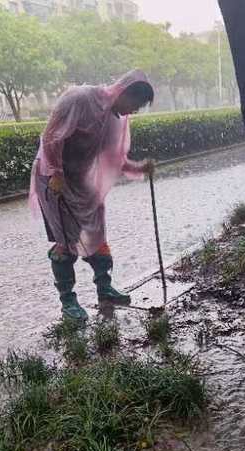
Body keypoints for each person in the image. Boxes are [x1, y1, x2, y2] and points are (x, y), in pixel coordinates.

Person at [30, 70, 156, 322]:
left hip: (80, 180)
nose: (133, 111)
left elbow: (113, 157)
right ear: (124, 91)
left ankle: (105, 289)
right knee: (67, 239)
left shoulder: (114, 118)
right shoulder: (80, 98)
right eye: (136, 104)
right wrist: (55, 172)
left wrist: (138, 167)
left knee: (97, 233)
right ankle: (68, 303)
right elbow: (52, 136)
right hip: (54, 178)